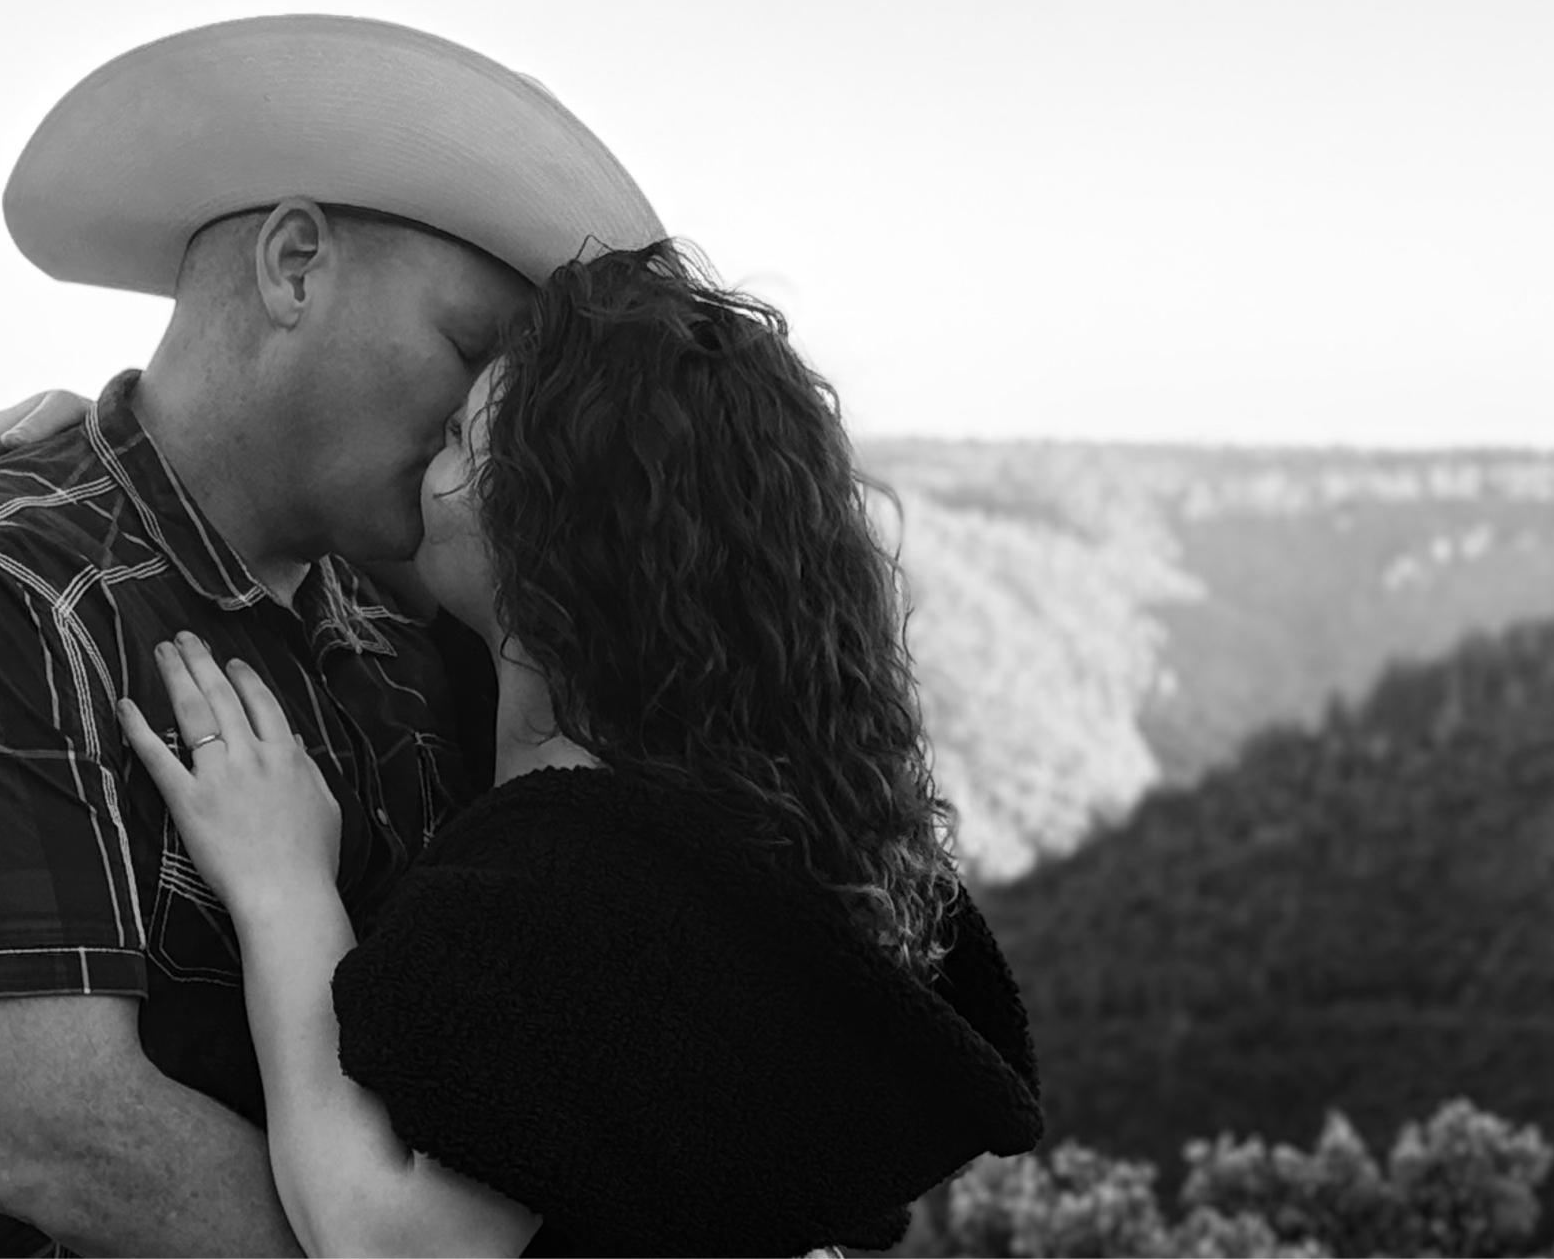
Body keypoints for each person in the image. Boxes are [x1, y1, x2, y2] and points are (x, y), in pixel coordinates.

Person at [0, 14, 663, 1256]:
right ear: (294, 264)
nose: (488, 425)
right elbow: (64, 1141)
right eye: (470, 351)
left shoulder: (417, 634)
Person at [101, 241, 1047, 1256]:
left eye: (459, 440)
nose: (428, 458)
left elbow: (398, 1242)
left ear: (545, 534)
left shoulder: (576, 886)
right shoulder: (715, 823)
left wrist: (283, 887)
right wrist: (104, 448)